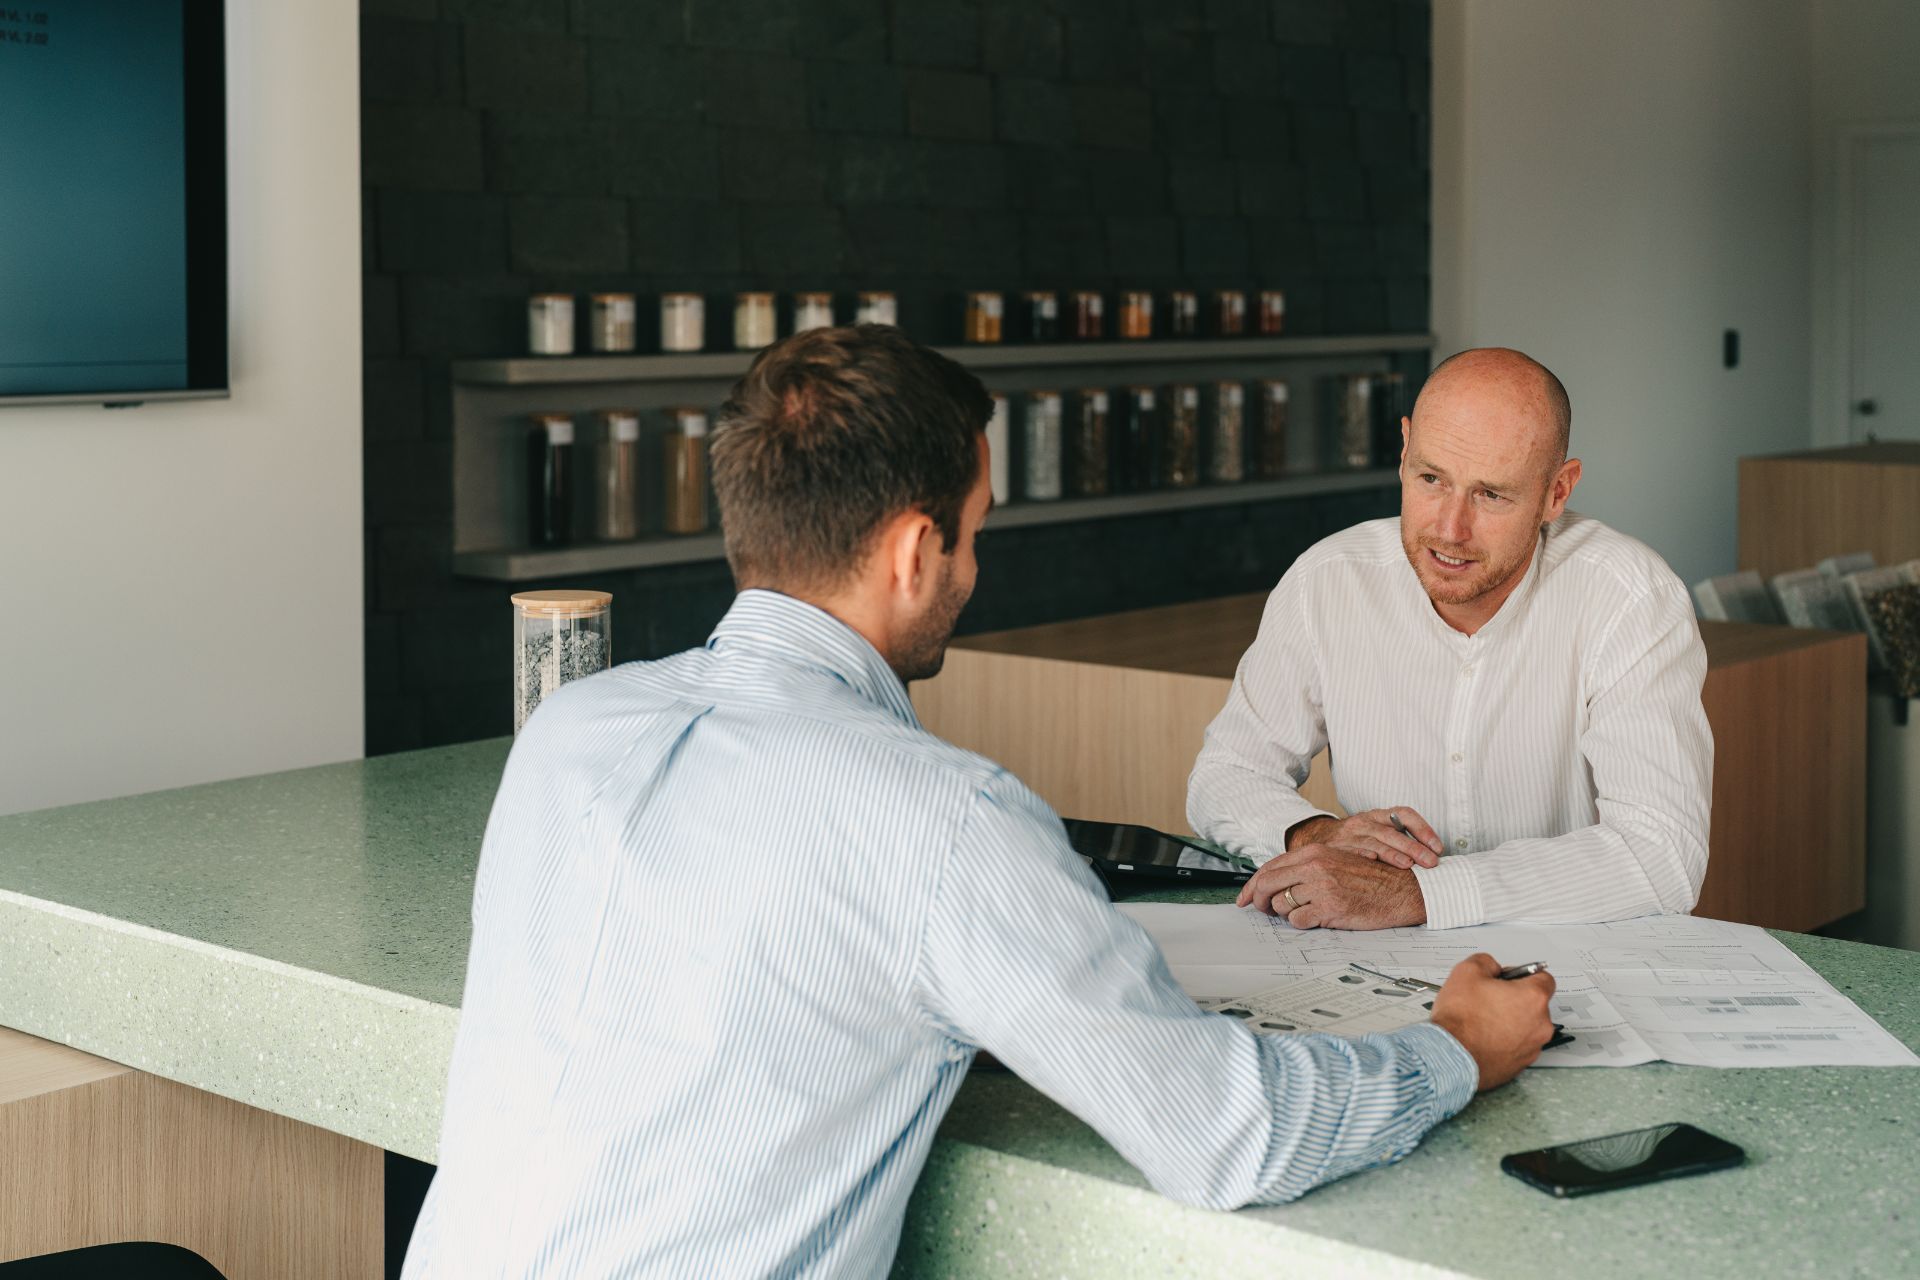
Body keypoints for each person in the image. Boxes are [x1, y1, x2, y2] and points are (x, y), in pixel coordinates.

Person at [401, 327, 1555, 1279]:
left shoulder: (568, 731)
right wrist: (1455, 1047)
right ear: (915, 550)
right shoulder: (943, 817)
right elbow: (1225, 1132)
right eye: (976, 531)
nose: (973, 566)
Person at [1188, 347, 1713, 932]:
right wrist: (1316, 835)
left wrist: (1416, 892)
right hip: (1373, 960)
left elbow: (1664, 855)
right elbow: (1226, 773)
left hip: (1571, 960)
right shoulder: (1327, 581)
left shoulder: (1630, 597)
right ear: (1404, 449)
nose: (1449, 529)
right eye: (1431, 478)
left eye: (1491, 495)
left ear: (1557, 492)